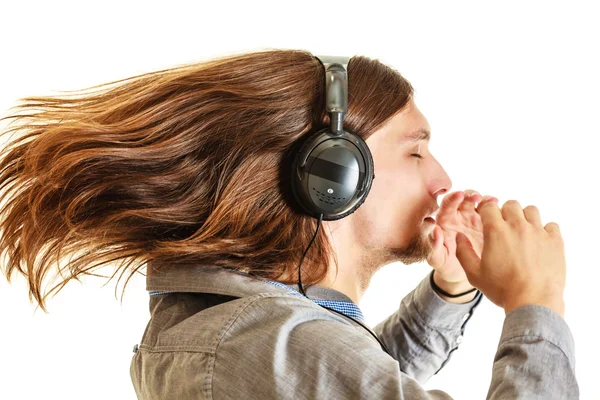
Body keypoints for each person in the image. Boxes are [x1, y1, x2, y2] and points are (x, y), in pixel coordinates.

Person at [0, 49, 578, 399]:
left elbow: (363, 377)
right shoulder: (261, 342)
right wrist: (536, 301)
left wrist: (449, 291)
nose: (442, 178)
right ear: (333, 173)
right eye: (416, 152)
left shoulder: (256, 335)